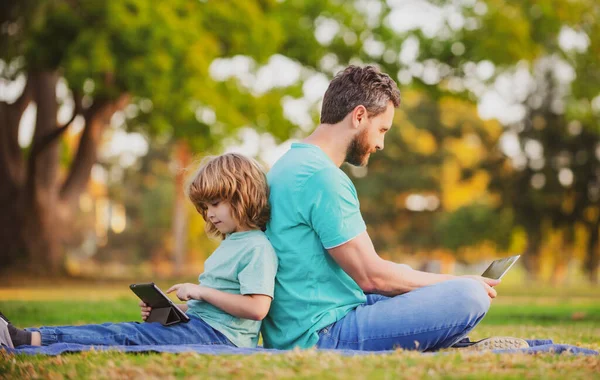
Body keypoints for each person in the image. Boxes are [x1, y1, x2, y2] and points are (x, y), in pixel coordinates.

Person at [262, 65, 525, 352]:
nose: (381, 143)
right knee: (470, 296)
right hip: (321, 333)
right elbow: (371, 276)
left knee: (418, 290)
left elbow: (363, 273)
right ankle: (450, 343)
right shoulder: (322, 178)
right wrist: (460, 281)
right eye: (382, 129)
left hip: (306, 320)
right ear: (359, 116)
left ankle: (449, 343)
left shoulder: (288, 164)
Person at [0, 153, 277, 349]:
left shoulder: (257, 248)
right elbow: (214, 307)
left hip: (219, 338)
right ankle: (29, 336)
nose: (209, 214)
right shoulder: (230, 244)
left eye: (215, 203)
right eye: (205, 207)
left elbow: (257, 308)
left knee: (125, 336)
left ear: (242, 196)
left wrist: (201, 290)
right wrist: (172, 310)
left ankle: (29, 340)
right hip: (202, 326)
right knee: (122, 330)